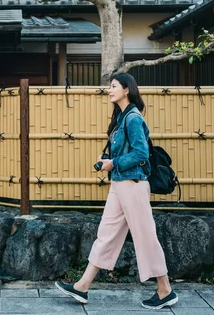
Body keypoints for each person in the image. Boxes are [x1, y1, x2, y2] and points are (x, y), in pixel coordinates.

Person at [55, 73, 178, 311]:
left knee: (145, 237)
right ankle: (82, 286)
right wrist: (107, 160)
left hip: (133, 184)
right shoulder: (122, 118)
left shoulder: (133, 118)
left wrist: (115, 163)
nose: (109, 90)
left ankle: (165, 290)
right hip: (120, 184)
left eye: (113, 86)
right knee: (107, 234)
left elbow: (141, 154)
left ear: (126, 90)